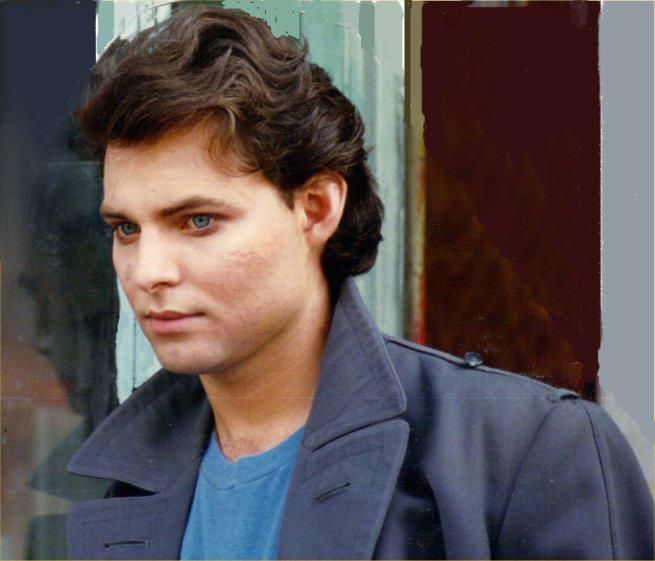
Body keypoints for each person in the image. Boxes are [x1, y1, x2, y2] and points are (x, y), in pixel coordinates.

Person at [66, 6, 653, 560]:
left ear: (317, 208)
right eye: (125, 228)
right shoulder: (117, 482)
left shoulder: (527, 449)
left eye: (198, 221)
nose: (148, 272)